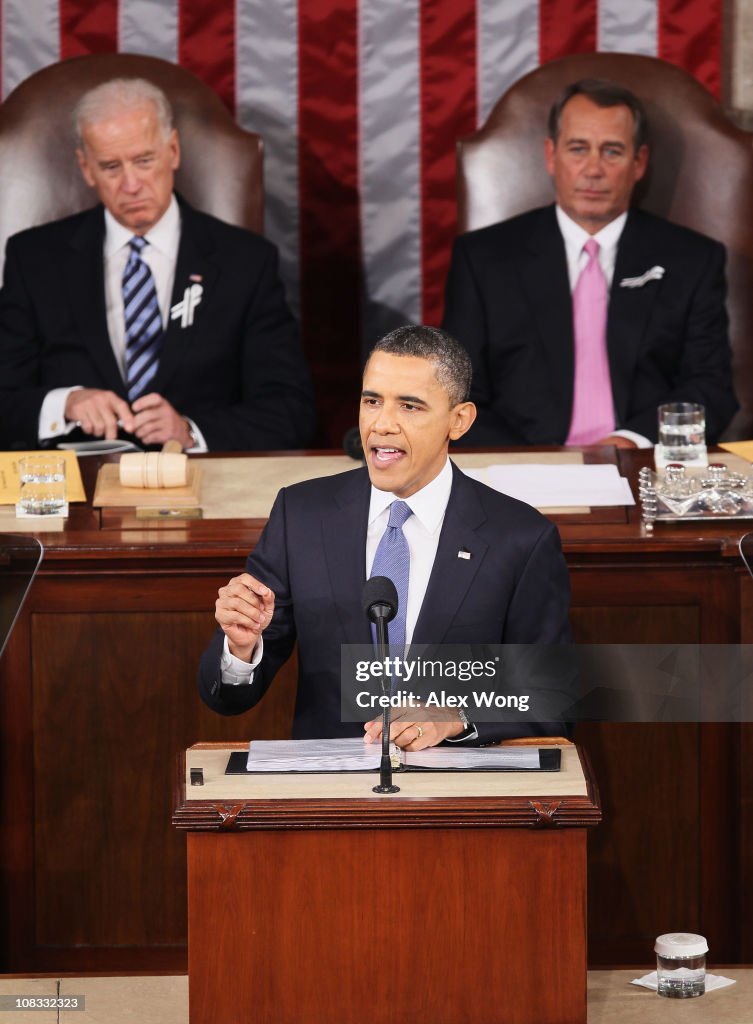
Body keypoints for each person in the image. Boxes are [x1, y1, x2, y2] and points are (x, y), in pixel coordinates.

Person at [198, 325, 571, 747]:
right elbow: (229, 697)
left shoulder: (520, 537)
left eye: (410, 406)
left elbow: (552, 696)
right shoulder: (301, 515)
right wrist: (241, 648)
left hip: (458, 795)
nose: (382, 423)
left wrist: (458, 716)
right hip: (334, 793)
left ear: (459, 420)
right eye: (372, 401)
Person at [0, 77, 315, 452]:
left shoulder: (245, 262)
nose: (131, 185)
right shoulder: (34, 259)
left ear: (173, 151)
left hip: (199, 487)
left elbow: (290, 411)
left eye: (144, 160)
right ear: (86, 169)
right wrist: (63, 404)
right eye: (111, 166)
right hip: (76, 491)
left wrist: (189, 431)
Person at [442, 78, 738, 449]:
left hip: (643, 465)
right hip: (520, 470)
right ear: (552, 156)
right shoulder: (483, 258)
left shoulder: (693, 260)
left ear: (639, 162)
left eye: (612, 151)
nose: (593, 169)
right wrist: (531, 464)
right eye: (578, 148)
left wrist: (631, 442)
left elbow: (710, 387)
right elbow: (456, 394)